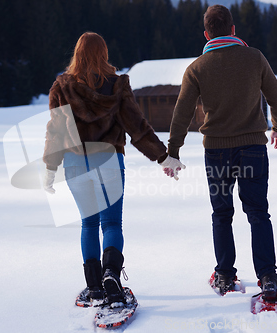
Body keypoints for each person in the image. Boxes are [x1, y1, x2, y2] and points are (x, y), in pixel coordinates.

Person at [42, 32, 184, 308]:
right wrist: (164, 158)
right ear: (104, 54)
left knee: (89, 223)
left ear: (77, 54)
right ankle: (111, 275)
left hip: (75, 163)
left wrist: (49, 168)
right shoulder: (117, 85)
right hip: (108, 160)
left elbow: (55, 130)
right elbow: (136, 126)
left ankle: (94, 286)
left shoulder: (62, 86)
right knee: (111, 224)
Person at [167, 5, 277, 301]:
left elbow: (181, 113)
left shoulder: (196, 68)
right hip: (254, 149)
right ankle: (268, 277)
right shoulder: (254, 57)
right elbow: (276, 96)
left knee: (222, 213)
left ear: (207, 34)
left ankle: (224, 273)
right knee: (258, 213)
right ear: (233, 30)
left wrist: (173, 151)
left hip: (217, 153)